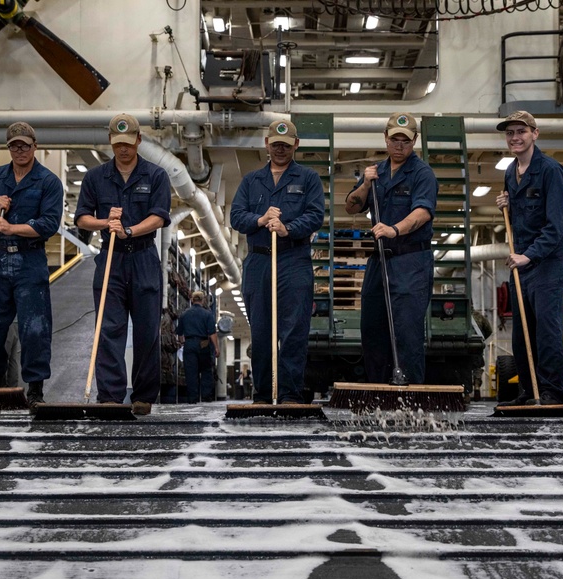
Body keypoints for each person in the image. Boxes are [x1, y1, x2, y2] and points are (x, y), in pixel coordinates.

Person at [75, 113, 171, 416]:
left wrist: (129, 230)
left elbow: (159, 217)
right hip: (111, 258)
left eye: (128, 144)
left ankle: (143, 397)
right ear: (110, 143)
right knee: (108, 327)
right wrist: (106, 222)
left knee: (147, 330)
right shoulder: (94, 177)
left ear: (139, 140)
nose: (123, 150)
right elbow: (82, 219)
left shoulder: (156, 175)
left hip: (144, 256)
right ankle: (110, 397)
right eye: (118, 145)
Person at [230, 120, 325, 404]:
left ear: (296, 145)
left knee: (294, 329)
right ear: (267, 145)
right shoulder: (251, 181)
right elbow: (236, 216)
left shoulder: (308, 179)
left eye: (286, 144)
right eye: (275, 144)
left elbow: (315, 214)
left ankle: (289, 394)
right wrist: (259, 219)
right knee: (260, 331)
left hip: (293, 259)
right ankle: (261, 394)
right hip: (259, 261)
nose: (280, 149)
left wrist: (288, 228)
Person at [0, 122, 62, 406]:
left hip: (30, 260)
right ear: (8, 148)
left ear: (35, 146)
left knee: (34, 328)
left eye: (25, 145)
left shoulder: (48, 181)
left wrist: (12, 227)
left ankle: (35, 390)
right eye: (14, 146)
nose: (20, 150)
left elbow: (49, 224)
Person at [345, 112, 437, 384]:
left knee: (407, 332)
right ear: (385, 139)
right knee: (372, 329)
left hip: (410, 261)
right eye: (394, 139)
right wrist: (365, 183)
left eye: (405, 141)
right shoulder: (377, 171)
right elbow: (351, 205)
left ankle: (410, 397)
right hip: (379, 261)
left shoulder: (422, 174)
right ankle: (379, 392)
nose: (399, 145)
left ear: (414, 141)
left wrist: (394, 229)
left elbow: (422, 212)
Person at [494, 111, 563, 405]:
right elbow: (522, 220)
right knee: (521, 330)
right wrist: (508, 206)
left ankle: (555, 391)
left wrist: (529, 255)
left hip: (548, 261)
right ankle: (530, 391)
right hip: (522, 261)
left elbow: (557, 225)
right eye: (510, 133)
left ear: (535, 134)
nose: (515, 137)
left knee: (547, 328)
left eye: (521, 132)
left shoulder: (551, 170)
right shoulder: (510, 172)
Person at [176, 290, 218, 403]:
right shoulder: (207, 314)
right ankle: (206, 397)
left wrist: (184, 344)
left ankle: (192, 399)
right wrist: (217, 348)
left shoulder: (184, 314)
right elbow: (212, 333)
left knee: (191, 372)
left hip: (189, 344)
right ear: (202, 300)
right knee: (206, 371)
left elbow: (179, 335)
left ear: (192, 300)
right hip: (203, 344)